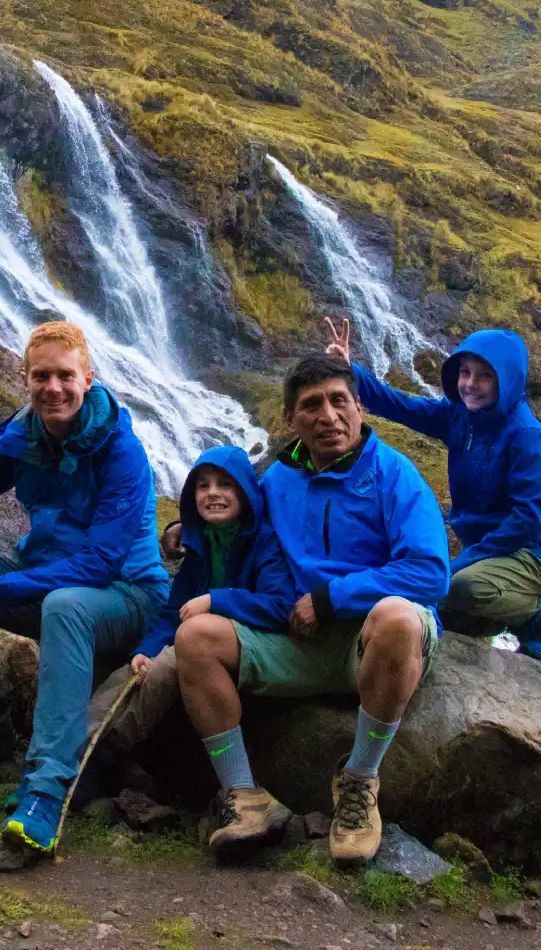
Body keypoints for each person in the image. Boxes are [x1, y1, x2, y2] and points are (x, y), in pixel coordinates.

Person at [174, 355, 451, 865]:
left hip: (373, 640)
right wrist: (185, 528)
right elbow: (232, 510)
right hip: (296, 640)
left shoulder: (395, 474)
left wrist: (330, 598)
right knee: (195, 638)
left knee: (397, 616)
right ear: (290, 420)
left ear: (359, 406)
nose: (328, 415)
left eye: (338, 400)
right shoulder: (276, 479)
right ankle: (245, 797)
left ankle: (359, 782)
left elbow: (431, 572)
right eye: (311, 406)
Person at [0, 321, 166, 857]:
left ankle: (47, 791)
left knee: (66, 604)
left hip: (129, 595)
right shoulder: (19, 438)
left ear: (88, 378)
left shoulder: (123, 450)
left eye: (65, 376)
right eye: (42, 376)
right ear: (25, 379)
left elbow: (100, 563)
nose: (53, 388)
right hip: (47, 587)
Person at [325, 319, 541, 658]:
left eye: (485, 376)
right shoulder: (458, 416)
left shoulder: (528, 437)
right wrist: (349, 370)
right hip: (486, 547)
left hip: (533, 551)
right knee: (440, 609)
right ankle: (512, 620)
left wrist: (463, 561)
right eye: (465, 373)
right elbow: (399, 405)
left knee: (463, 586)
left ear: (508, 379)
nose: (471, 384)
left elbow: (528, 519)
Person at [90, 445, 296, 762]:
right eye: (203, 485)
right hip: (200, 636)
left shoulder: (265, 541)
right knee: (131, 673)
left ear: (245, 491)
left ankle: (107, 753)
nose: (213, 493)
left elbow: (280, 605)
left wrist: (216, 601)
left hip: (247, 644)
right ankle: (78, 746)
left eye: (225, 484)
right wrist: (146, 649)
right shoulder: (201, 541)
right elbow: (175, 609)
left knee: (166, 666)